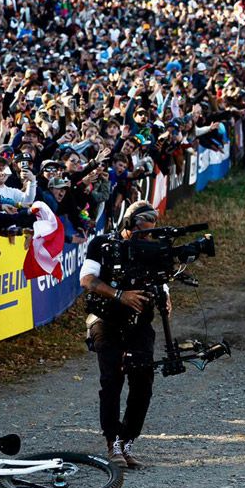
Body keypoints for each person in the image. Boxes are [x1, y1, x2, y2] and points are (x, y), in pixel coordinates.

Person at [79, 200, 170, 470]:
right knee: (112, 380)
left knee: (143, 382)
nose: (148, 235)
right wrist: (120, 295)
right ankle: (112, 442)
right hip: (105, 320)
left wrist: (165, 296)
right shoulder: (102, 244)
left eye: (152, 230)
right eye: (143, 229)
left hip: (140, 323)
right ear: (128, 224)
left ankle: (127, 440)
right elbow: (87, 279)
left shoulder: (151, 247)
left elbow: (160, 280)